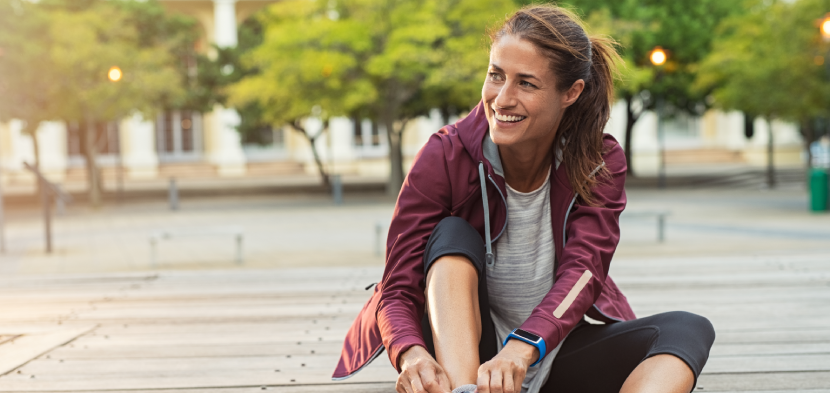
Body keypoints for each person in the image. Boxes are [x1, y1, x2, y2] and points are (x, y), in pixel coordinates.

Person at [333, 5, 715, 393]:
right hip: (467, 365)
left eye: (527, 84)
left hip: (550, 351)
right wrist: (410, 353)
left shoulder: (598, 162)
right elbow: (397, 285)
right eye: (496, 75)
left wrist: (523, 348)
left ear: (571, 92)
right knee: (450, 236)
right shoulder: (445, 155)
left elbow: (584, 271)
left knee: (688, 328)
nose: (502, 99)